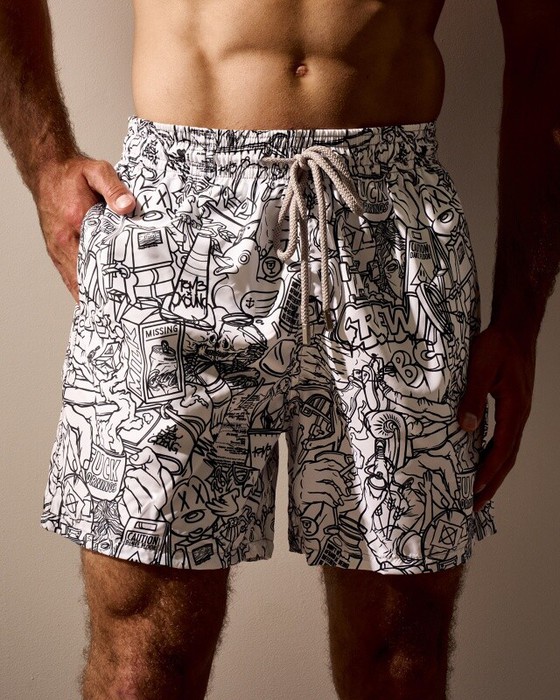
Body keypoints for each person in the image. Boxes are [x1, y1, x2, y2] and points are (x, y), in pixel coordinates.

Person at [1, 0, 558, 698]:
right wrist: (46, 162)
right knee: (143, 658)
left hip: (391, 220)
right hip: (175, 220)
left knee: (401, 656)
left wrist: (520, 319)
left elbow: (545, 48)